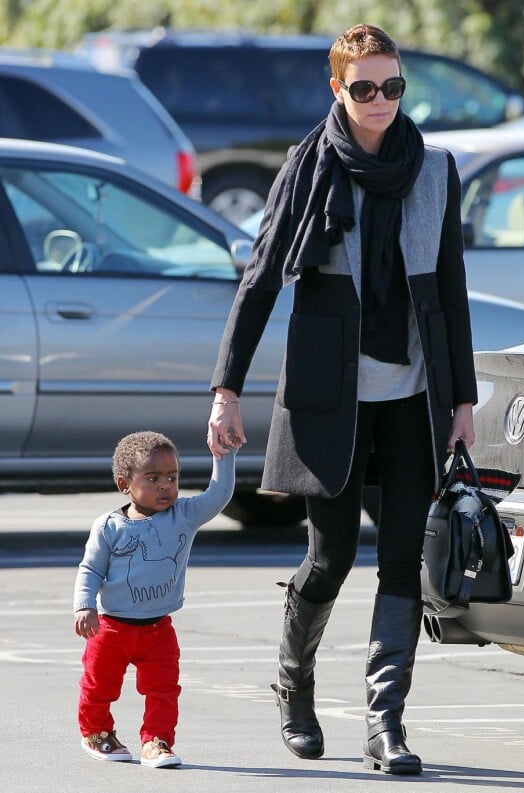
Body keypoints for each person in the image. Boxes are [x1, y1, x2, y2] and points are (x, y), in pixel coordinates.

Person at [207, 23, 477, 776]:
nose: (381, 100)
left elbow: (449, 292)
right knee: (329, 560)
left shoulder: (435, 169)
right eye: (365, 87)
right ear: (338, 88)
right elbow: (260, 280)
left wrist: (462, 400)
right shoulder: (308, 167)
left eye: (393, 85)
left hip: (412, 396)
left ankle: (385, 724)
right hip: (329, 396)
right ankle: (294, 689)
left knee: (400, 560)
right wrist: (226, 390)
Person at [73, 430, 236, 768]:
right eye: (153, 478)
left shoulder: (184, 515)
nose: (165, 485)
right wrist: (84, 605)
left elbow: (218, 494)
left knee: (163, 690)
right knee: (98, 686)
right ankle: (96, 732)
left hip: (158, 630)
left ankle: (156, 741)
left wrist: (225, 456)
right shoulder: (108, 527)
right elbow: (90, 570)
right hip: (111, 628)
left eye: (172, 477)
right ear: (124, 484)